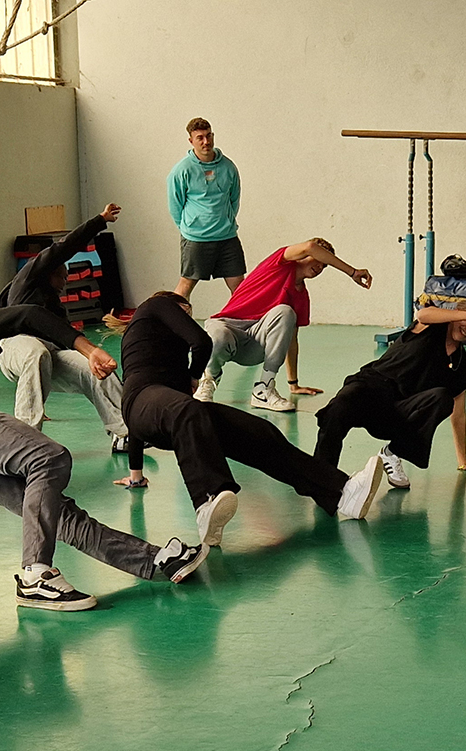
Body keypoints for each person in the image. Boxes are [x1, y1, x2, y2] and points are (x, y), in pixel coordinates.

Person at [0, 287, 208, 611]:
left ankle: (155, 560)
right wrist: (88, 349)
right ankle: (35, 575)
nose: (0, 345)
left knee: (56, 512)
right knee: (49, 457)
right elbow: (29, 314)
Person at [120, 291, 386, 549]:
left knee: (258, 431)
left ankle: (343, 492)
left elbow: (144, 422)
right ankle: (207, 502)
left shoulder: (163, 343)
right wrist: (194, 377)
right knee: (187, 409)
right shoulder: (155, 305)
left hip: (176, 416)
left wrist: (136, 476)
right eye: (185, 314)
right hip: (144, 401)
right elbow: (202, 342)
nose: (186, 319)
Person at [314, 294, 466, 485]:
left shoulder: (461, 365)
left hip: (398, 413)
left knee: (442, 398)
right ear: (458, 312)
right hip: (370, 390)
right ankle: (323, 478)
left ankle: (392, 453)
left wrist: (464, 461)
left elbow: (459, 414)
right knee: (339, 408)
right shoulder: (430, 326)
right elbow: (423, 314)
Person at [0, 202, 129, 451]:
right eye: (62, 276)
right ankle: (26, 440)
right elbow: (63, 248)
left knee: (97, 369)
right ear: (48, 271)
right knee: (36, 352)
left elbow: (63, 338)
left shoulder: (55, 306)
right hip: (16, 346)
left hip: (50, 352)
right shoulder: (28, 279)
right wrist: (100, 221)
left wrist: (90, 356)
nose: (65, 282)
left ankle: (125, 432)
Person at [194, 239, 372, 412]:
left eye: (324, 266)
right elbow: (310, 246)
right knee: (219, 334)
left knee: (285, 311)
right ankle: (208, 380)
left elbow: (290, 340)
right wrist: (352, 272)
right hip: (228, 331)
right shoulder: (278, 263)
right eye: (319, 260)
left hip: (255, 345)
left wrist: (293, 384)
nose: (320, 267)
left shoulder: (301, 296)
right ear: (302, 256)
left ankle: (264, 389)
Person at [168, 118, 244, 300]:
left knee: (241, 289)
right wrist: (190, 228)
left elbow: (234, 199)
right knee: (185, 286)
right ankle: (174, 317)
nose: (206, 141)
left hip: (227, 237)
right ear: (191, 141)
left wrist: (225, 221)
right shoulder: (181, 170)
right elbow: (175, 206)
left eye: (209, 136)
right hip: (196, 239)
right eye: (200, 138)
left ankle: (241, 319)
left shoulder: (228, 167)